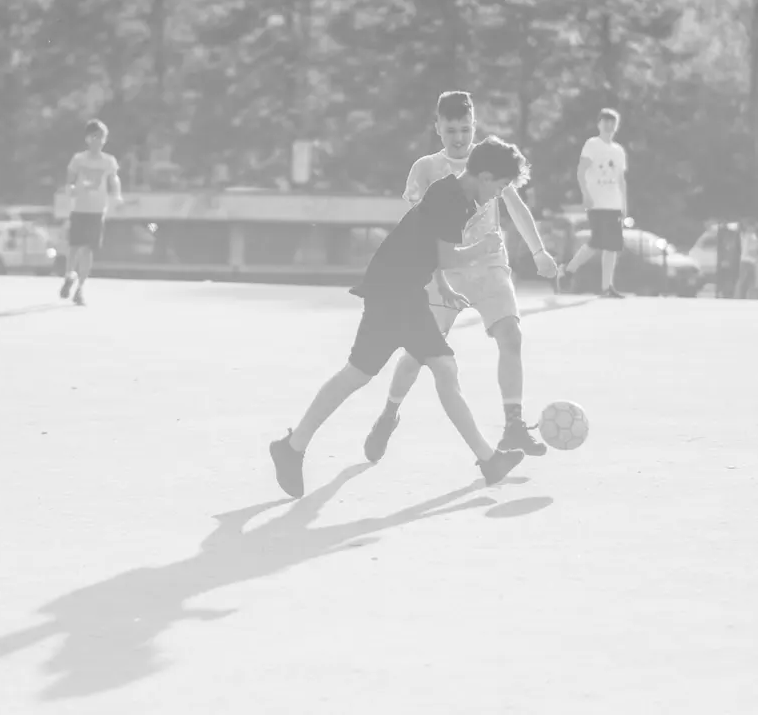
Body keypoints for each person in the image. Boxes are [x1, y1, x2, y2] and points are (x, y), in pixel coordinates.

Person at [269, 136, 536, 499]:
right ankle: (292, 446)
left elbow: (429, 245)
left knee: (412, 370)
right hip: (394, 291)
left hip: (400, 289)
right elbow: (449, 255)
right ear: (485, 176)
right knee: (365, 373)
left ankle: (489, 460)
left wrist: (441, 285)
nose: (498, 195)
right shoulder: (455, 200)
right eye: (500, 186)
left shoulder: (454, 193)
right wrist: (484, 248)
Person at [363, 93, 558, 464]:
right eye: (451, 129)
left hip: (489, 264)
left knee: (511, 336)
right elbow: (420, 227)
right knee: (416, 356)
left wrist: (539, 251)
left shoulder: (487, 162)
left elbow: (516, 207)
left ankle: (513, 425)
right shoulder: (425, 168)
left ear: (475, 126)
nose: (458, 137)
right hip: (444, 270)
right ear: (437, 127)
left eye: (466, 129)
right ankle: (389, 415)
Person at [559, 108, 628, 298]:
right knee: (597, 241)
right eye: (605, 121)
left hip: (614, 203)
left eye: (612, 122)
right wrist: (585, 194)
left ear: (616, 126)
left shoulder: (618, 151)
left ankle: (607, 287)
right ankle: (569, 270)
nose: (608, 126)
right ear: (599, 124)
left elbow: (621, 179)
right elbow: (581, 171)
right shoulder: (592, 144)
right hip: (597, 201)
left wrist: (624, 204)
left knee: (613, 245)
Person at [59, 120, 122, 306]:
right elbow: (69, 180)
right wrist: (70, 189)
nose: (99, 141)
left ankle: (80, 288)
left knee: (88, 249)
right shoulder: (79, 159)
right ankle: (69, 275)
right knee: (74, 247)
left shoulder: (108, 161)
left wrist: (117, 195)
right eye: (95, 137)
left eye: (102, 137)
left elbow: (114, 179)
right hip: (79, 208)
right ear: (88, 139)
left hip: (97, 210)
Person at [736, 220, 758, 299]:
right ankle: (739, 297)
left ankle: (749, 297)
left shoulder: (753, 236)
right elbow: (752, 250)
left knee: (751, 281)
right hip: (746, 261)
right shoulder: (745, 235)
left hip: (751, 262)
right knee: (743, 280)